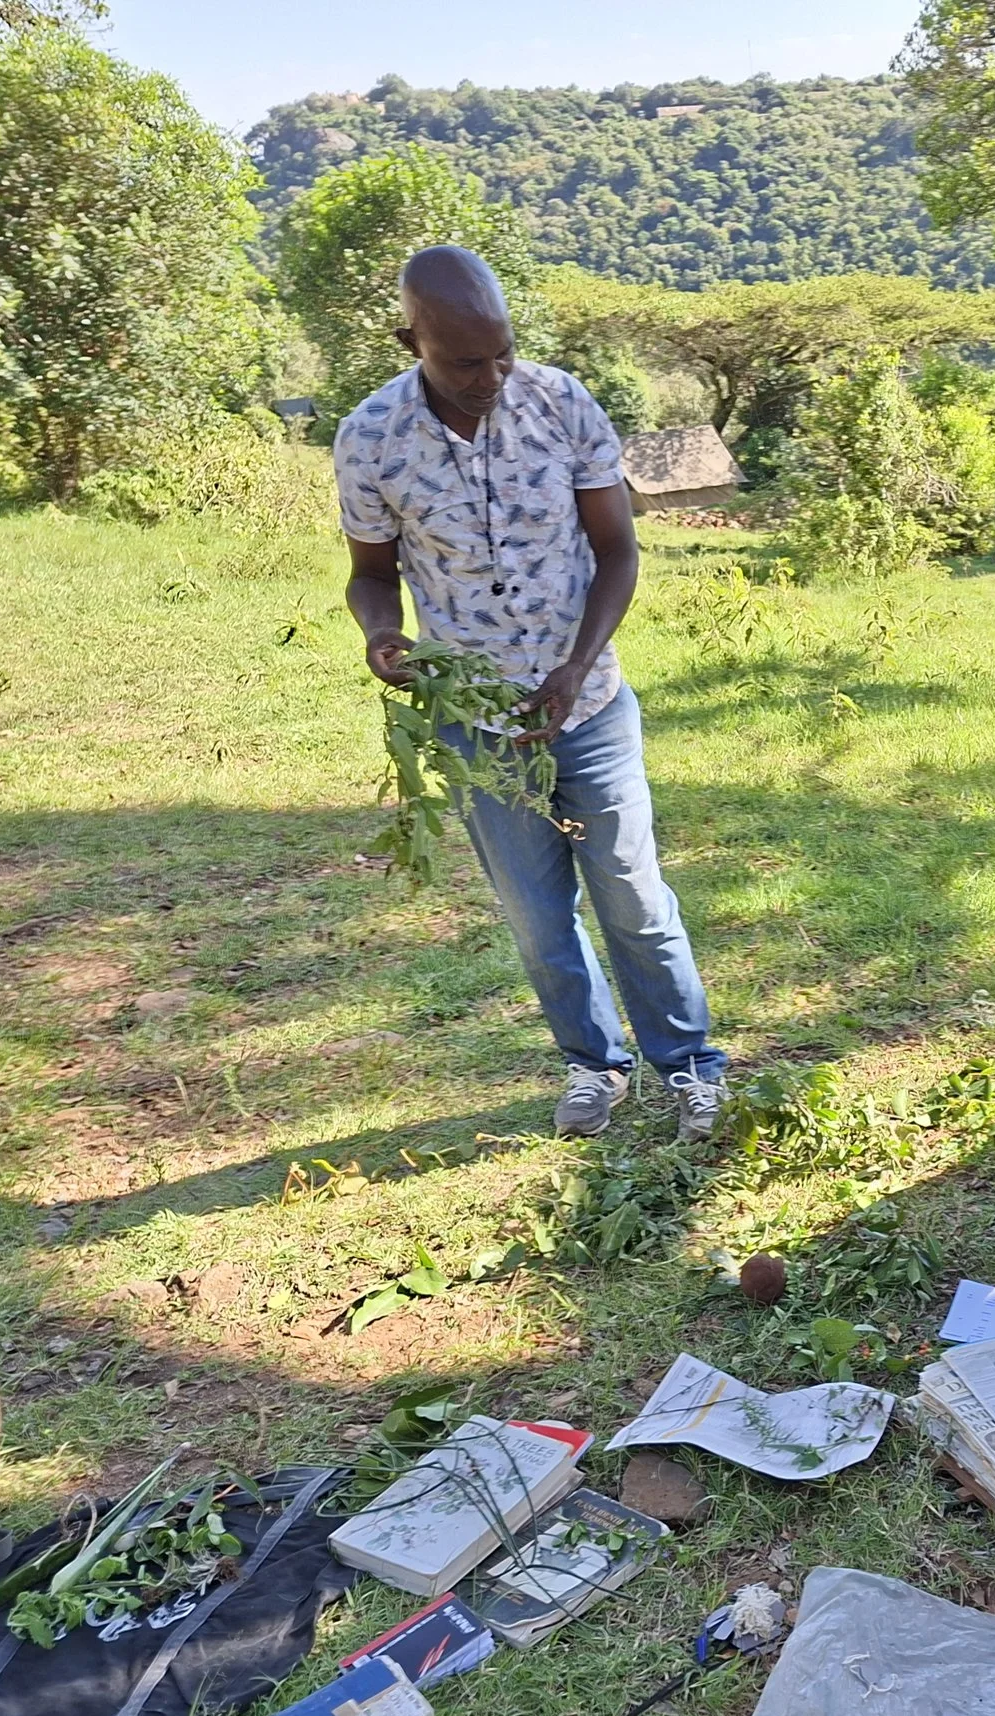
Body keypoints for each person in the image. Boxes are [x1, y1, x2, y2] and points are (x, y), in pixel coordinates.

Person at [334, 246, 727, 1142]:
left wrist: (575, 667)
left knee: (632, 890)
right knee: (538, 915)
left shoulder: (562, 403)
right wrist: (381, 636)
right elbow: (369, 574)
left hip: (586, 704)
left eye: (502, 353)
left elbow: (619, 554)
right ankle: (594, 1067)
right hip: (476, 723)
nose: (491, 376)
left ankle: (692, 1069)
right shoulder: (369, 437)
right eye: (466, 361)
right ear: (412, 340)